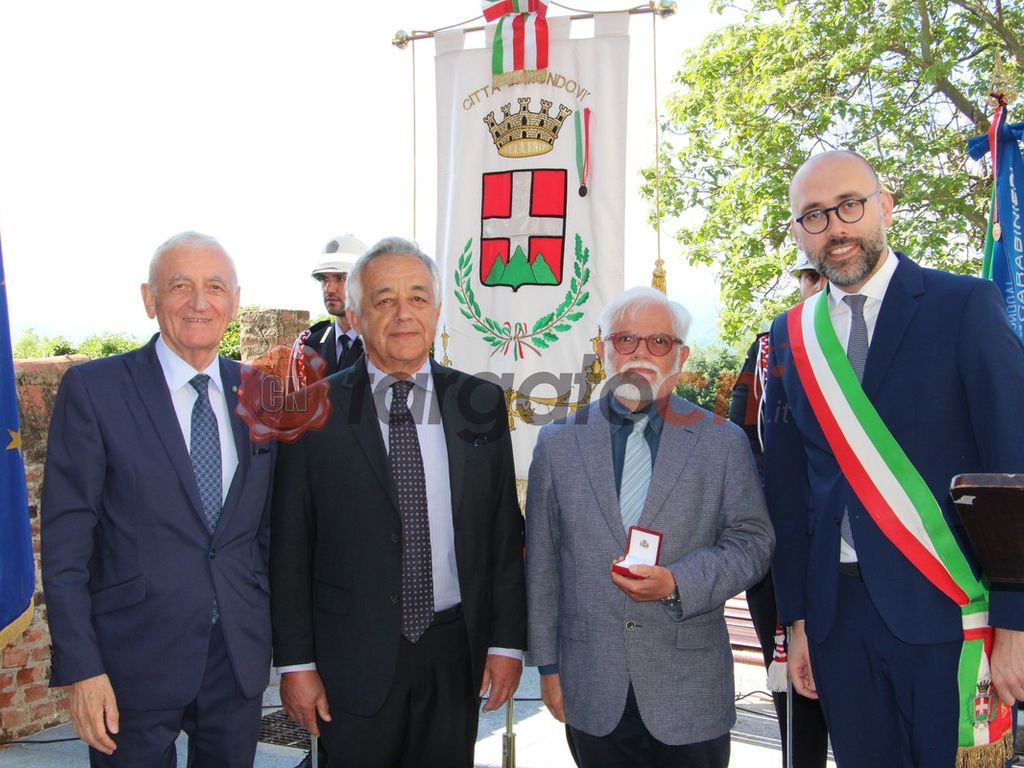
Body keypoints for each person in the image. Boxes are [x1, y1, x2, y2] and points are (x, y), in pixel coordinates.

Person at [763, 150, 1024, 766]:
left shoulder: (964, 305)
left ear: (884, 206)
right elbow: (788, 489)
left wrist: (1015, 624)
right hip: (836, 618)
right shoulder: (789, 334)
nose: (835, 228)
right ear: (798, 232)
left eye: (850, 205)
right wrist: (797, 621)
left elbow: (1012, 471)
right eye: (814, 215)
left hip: (948, 609)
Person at [270, 236, 527, 768]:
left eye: (417, 297)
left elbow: (502, 532)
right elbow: (289, 546)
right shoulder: (309, 411)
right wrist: (296, 663)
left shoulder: (480, 403)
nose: (403, 314)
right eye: (384, 300)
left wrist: (506, 644)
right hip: (350, 657)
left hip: (454, 654)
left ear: (437, 310)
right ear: (356, 316)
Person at [41, 232, 276, 767]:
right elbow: (66, 546)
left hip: (237, 660)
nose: (199, 302)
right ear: (150, 299)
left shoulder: (262, 394)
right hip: (131, 663)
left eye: (215, 286)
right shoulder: (95, 390)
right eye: (180, 286)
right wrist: (82, 669)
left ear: (235, 301)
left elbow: (267, 531)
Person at [526, 286, 775, 768]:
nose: (641, 353)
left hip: (689, 689)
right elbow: (542, 563)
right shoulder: (557, 444)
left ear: (681, 357)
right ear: (603, 350)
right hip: (591, 684)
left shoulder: (722, 443)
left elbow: (753, 543)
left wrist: (678, 582)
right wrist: (549, 668)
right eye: (625, 340)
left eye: (659, 341)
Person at [728, 252, 828, 768]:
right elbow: (741, 439)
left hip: (865, 550)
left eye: (823, 276)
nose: (816, 285)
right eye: (809, 276)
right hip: (782, 547)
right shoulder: (770, 348)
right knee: (794, 700)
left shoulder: (880, 345)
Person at [300, 233, 367, 374]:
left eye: (340, 278)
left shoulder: (383, 346)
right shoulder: (311, 344)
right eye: (324, 278)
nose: (329, 289)